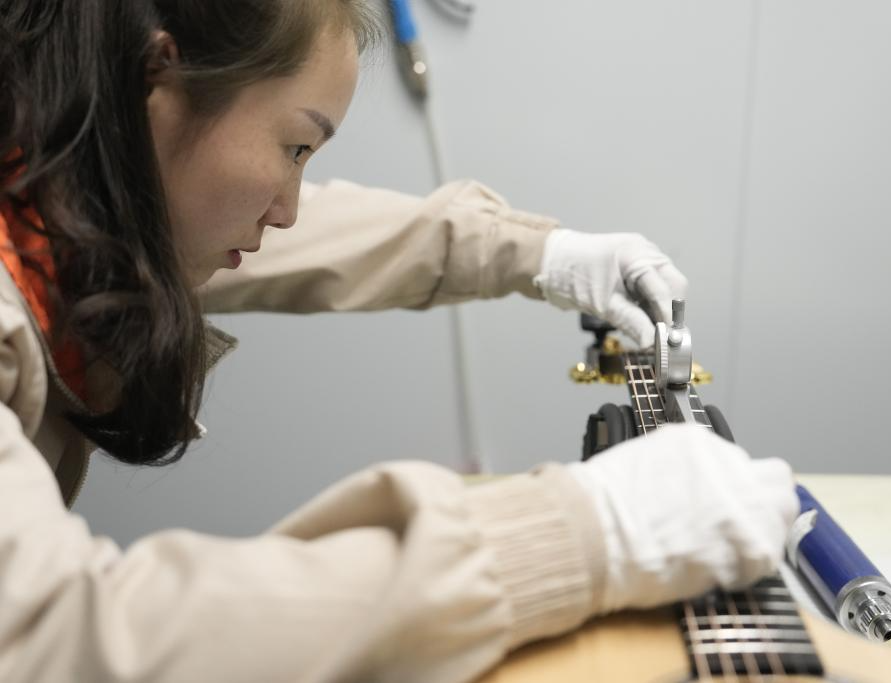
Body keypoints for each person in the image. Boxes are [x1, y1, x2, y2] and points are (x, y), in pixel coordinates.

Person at [0, 1, 798, 681]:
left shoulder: (53, 185)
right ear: (160, 79)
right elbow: (52, 632)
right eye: (294, 147)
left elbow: (294, 233)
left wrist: (540, 253)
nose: (288, 210)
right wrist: (578, 534)